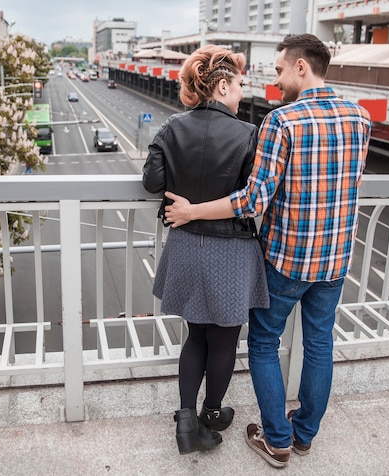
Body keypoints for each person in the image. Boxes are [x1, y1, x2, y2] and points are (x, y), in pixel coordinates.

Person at [163, 34, 371, 468]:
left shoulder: (283, 121)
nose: (274, 81)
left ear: (300, 67)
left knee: (262, 343)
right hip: (334, 259)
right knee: (318, 344)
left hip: (288, 258)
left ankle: (277, 438)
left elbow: (253, 200)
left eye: (278, 70)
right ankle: (305, 433)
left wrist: (193, 210)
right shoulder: (360, 117)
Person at [142, 45, 269, 455]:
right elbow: (253, 196)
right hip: (230, 250)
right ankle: (211, 412)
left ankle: (184, 418)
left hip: (184, 244)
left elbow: (151, 181)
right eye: (238, 84)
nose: (242, 92)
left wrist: (181, 202)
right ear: (221, 84)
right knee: (224, 340)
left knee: (195, 335)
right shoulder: (249, 133)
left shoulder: (172, 126)